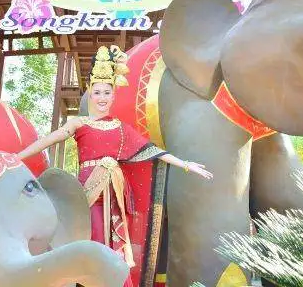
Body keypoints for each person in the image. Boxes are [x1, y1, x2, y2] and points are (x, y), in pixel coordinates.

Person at [18, 45, 213, 286]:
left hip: (115, 201)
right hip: (87, 197)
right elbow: (50, 139)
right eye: (97, 92)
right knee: (88, 244)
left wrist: (184, 164)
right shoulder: (79, 123)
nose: (102, 98)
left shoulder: (120, 128)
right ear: (90, 93)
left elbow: (152, 151)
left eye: (107, 92)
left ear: (113, 95)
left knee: (114, 251)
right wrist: (18, 157)